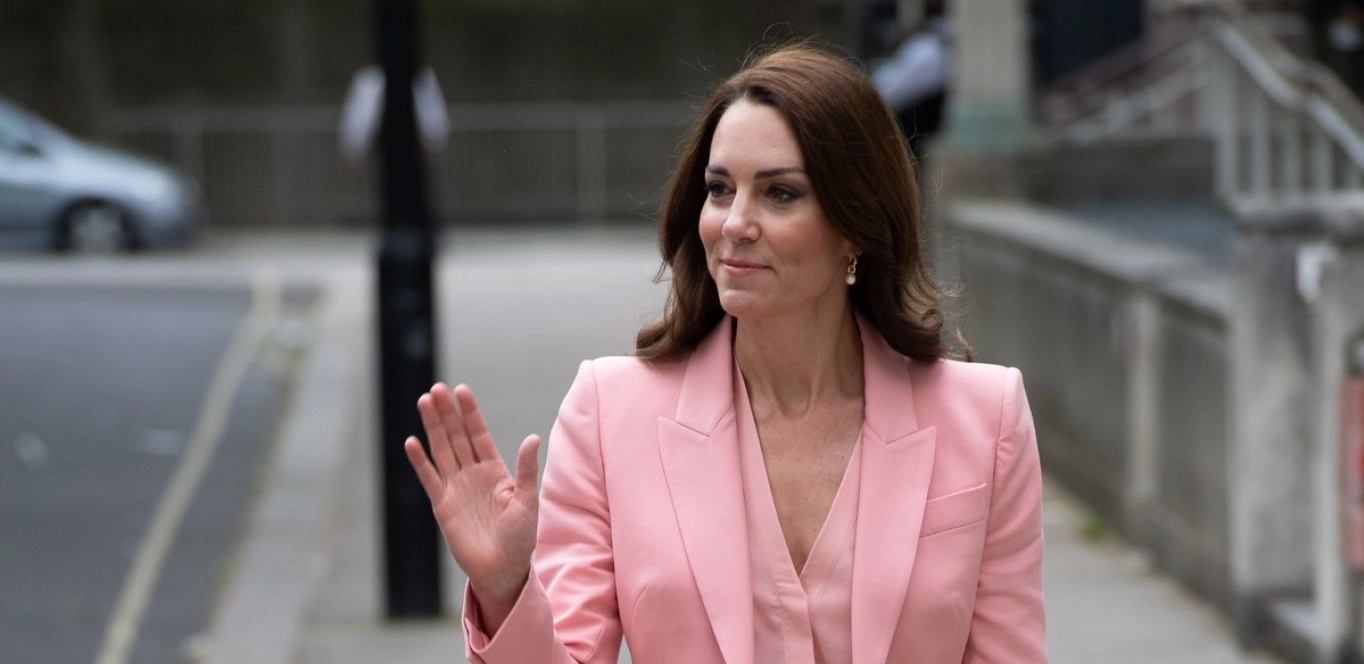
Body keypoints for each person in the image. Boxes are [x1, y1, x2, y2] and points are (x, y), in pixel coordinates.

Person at [404, 44, 1047, 664]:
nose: (735, 222)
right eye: (719, 189)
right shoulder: (608, 413)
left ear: (856, 224)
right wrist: (505, 591)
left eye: (779, 193)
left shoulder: (987, 419)